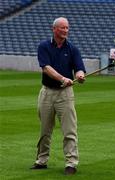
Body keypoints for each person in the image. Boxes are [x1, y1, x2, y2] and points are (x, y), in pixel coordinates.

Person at [31, 17, 86, 175]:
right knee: (45, 130)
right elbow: (46, 68)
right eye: (62, 28)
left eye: (67, 28)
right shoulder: (44, 46)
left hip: (65, 94)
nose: (65, 31)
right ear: (54, 29)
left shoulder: (73, 49)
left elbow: (79, 68)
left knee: (70, 130)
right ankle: (41, 161)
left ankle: (71, 163)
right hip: (47, 92)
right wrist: (63, 78)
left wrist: (80, 76)